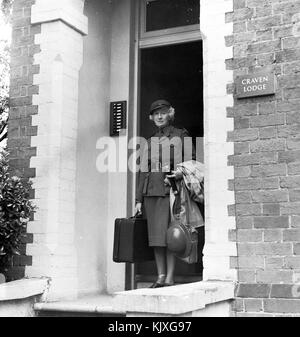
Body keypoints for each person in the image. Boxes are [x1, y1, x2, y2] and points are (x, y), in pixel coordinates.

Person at [134, 99, 195, 288]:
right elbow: (143, 171)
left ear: (170, 114)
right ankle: (160, 276)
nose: (159, 116)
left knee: (171, 236)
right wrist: (138, 199)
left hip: (171, 192)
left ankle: (169, 277)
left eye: (163, 112)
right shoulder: (149, 140)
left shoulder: (180, 134)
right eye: (156, 114)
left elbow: (192, 160)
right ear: (151, 117)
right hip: (151, 193)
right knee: (156, 237)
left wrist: (179, 172)